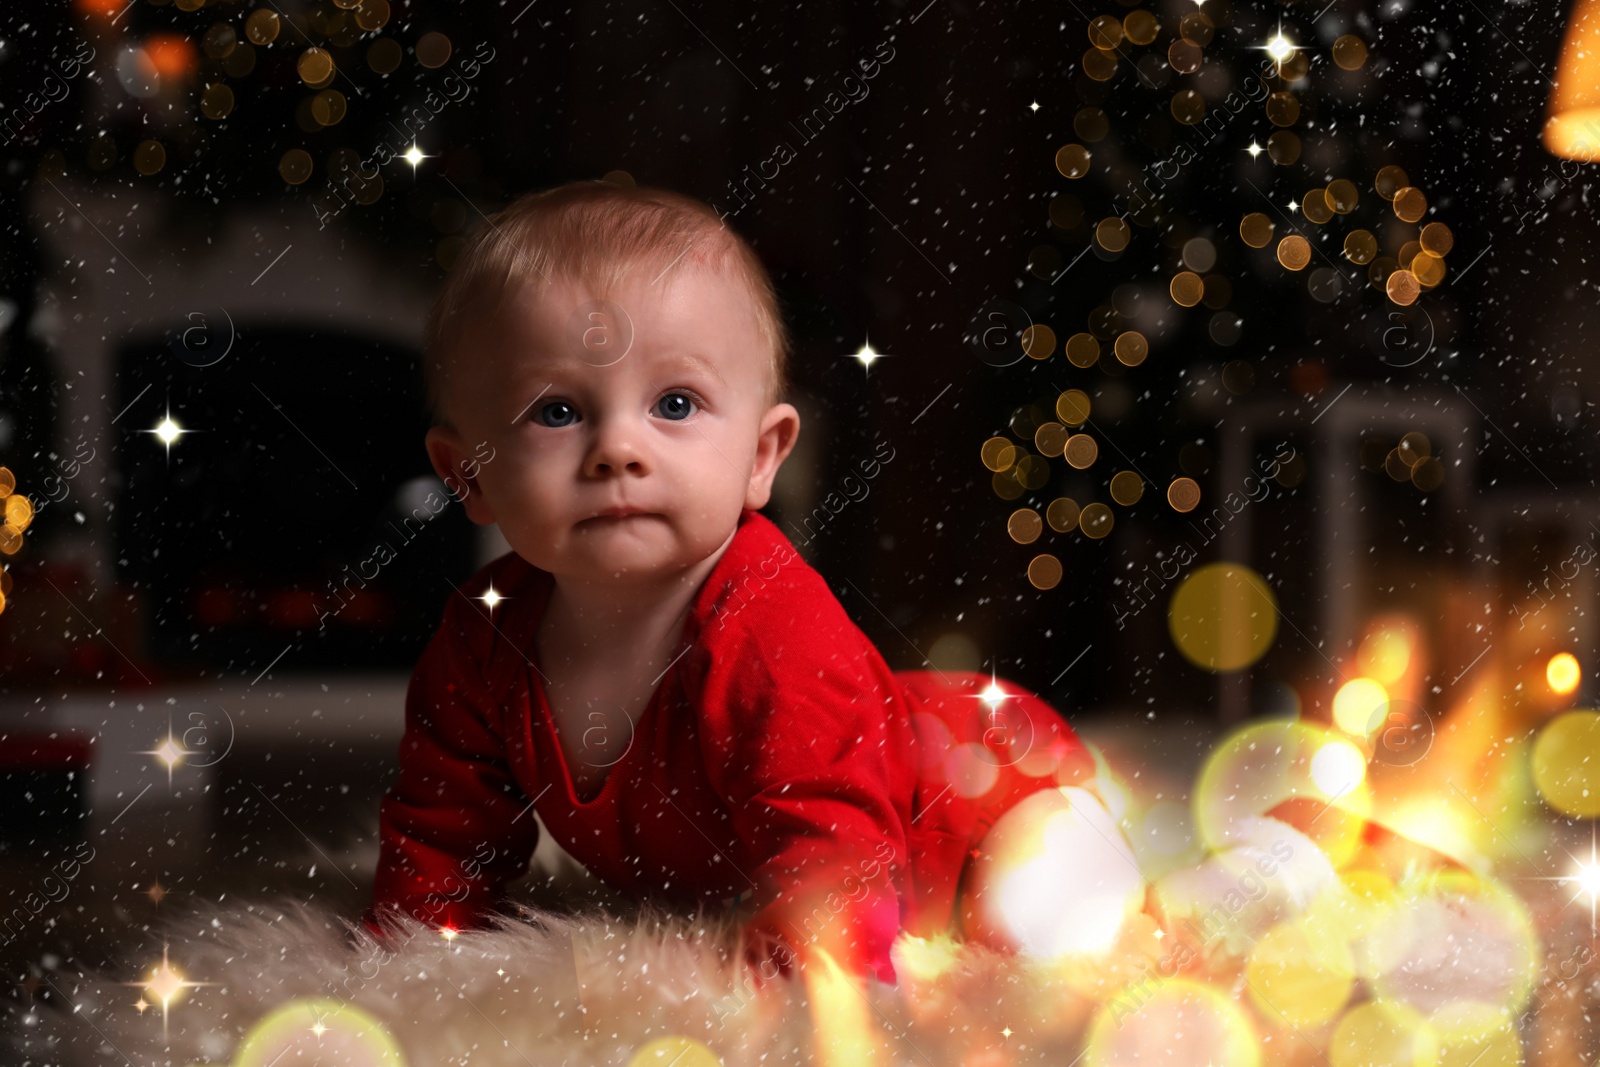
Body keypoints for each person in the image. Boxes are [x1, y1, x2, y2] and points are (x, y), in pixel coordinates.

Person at [368, 180, 1096, 985]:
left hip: (976, 792)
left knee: (1036, 928)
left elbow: (835, 853)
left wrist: (814, 972)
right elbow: (443, 830)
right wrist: (411, 950)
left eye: (674, 403)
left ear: (761, 456)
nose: (618, 448)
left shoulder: (775, 629)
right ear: (465, 473)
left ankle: (1230, 871)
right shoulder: (483, 636)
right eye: (558, 412)